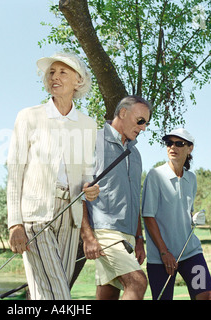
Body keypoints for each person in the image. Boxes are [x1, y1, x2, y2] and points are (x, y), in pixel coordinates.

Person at [7, 52, 100, 300]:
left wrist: (90, 189)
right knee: (58, 296)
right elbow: (15, 172)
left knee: (46, 295)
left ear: (78, 81)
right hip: (36, 215)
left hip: (70, 217)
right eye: (51, 72)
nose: (54, 77)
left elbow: (85, 176)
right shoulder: (29, 116)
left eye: (62, 72)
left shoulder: (88, 125)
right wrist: (15, 223)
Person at [81, 95, 151, 300]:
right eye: (140, 121)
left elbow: (134, 198)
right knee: (137, 283)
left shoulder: (135, 154)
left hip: (128, 235)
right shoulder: (93, 142)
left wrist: (139, 239)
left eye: (146, 123)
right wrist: (88, 237)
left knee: (109, 294)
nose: (143, 128)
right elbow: (78, 193)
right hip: (105, 231)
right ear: (122, 113)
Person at [142, 128, 211, 300]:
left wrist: (193, 218)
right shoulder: (155, 175)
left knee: (208, 296)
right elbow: (148, 215)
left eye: (179, 143)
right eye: (169, 143)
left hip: (190, 252)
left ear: (190, 148)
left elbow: (183, 212)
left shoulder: (192, 178)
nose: (172, 147)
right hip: (161, 257)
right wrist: (164, 252)